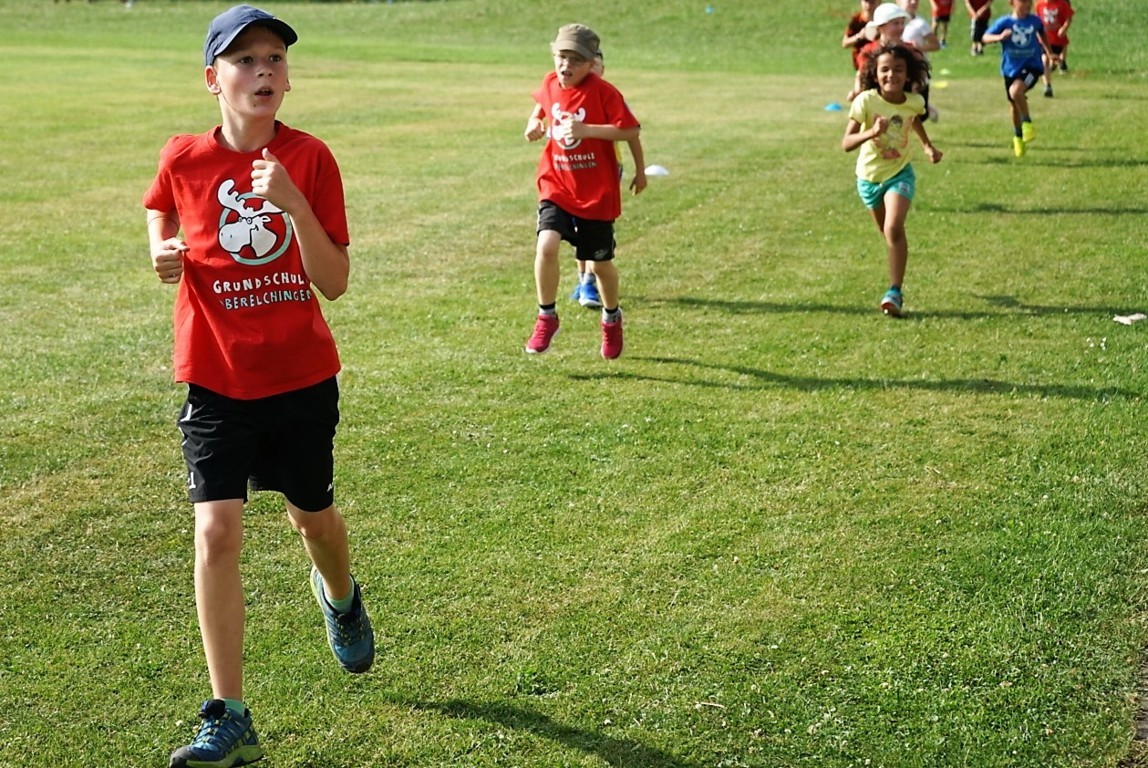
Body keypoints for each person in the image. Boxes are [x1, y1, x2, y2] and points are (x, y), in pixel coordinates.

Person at [143, 5, 375, 767]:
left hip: (301, 378)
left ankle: (340, 597)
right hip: (214, 378)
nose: (264, 70)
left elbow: (335, 282)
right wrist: (163, 250)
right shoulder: (183, 157)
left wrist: (292, 203)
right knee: (216, 530)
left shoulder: (309, 158)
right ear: (214, 79)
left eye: (275, 57)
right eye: (245, 60)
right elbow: (157, 209)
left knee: (315, 522)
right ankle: (230, 715)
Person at [523, 24, 641, 359]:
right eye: (562, 56)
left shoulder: (604, 92)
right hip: (557, 183)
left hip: (596, 193)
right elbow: (542, 105)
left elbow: (631, 129)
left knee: (601, 265)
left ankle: (611, 317)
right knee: (546, 243)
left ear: (591, 64)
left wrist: (587, 130)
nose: (566, 65)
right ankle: (546, 315)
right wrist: (533, 123)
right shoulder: (549, 81)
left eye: (576, 59)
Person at [843, 43, 943, 317]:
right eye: (885, 70)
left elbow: (914, 120)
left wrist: (927, 146)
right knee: (888, 235)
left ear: (908, 74)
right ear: (876, 74)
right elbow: (846, 142)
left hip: (900, 173)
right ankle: (895, 279)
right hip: (868, 178)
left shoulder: (915, 102)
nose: (891, 75)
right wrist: (870, 132)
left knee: (894, 227)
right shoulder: (865, 101)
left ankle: (894, 292)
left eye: (898, 70)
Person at [548, 49, 647, 309]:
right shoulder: (566, 94)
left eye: (596, 67)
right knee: (574, 229)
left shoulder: (606, 97)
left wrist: (640, 170)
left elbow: (632, 134)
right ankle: (584, 279)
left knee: (590, 228)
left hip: (606, 171)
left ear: (599, 68)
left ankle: (589, 280)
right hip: (570, 175)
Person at [982, 0, 1053, 157]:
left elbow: (1042, 34)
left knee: (1016, 92)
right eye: (1023, 1)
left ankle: (1027, 123)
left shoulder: (1035, 21)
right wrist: (1000, 37)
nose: (1027, 5)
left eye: (1029, 1)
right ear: (1012, 3)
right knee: (1014, 104)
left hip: (1032, 68)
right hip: (1010, 70)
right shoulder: (1005, 22)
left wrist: (1049, 53)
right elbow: (985, 37)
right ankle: (1018, 137)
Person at [898, 0, 942, 120]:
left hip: (917, 69)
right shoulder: (892, 23)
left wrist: (918, 47)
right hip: (898, 69)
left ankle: (927, 108)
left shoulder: (920, 24)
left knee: (920, 112)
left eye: (916, 0)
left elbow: (936, 45)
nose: (913, 2)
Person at [1035, 0, 1074, 96]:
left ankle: (1060, 63)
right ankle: (1047, 86)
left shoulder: (1062, 4)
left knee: (1052, 61)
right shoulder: (1039, 4)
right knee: (1045, 60)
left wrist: (1064, 28)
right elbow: (1037, 20)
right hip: (1044, 39)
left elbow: (1069, 18)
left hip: (1057, 40)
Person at [843, 0, 881, 72]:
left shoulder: (883, 20)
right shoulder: (857, 20)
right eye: (866, 1)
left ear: (879, 2)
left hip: (880, 62)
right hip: (862, 64)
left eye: (872, 2)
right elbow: (845, 43)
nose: (868, 5)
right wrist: (860, 36)